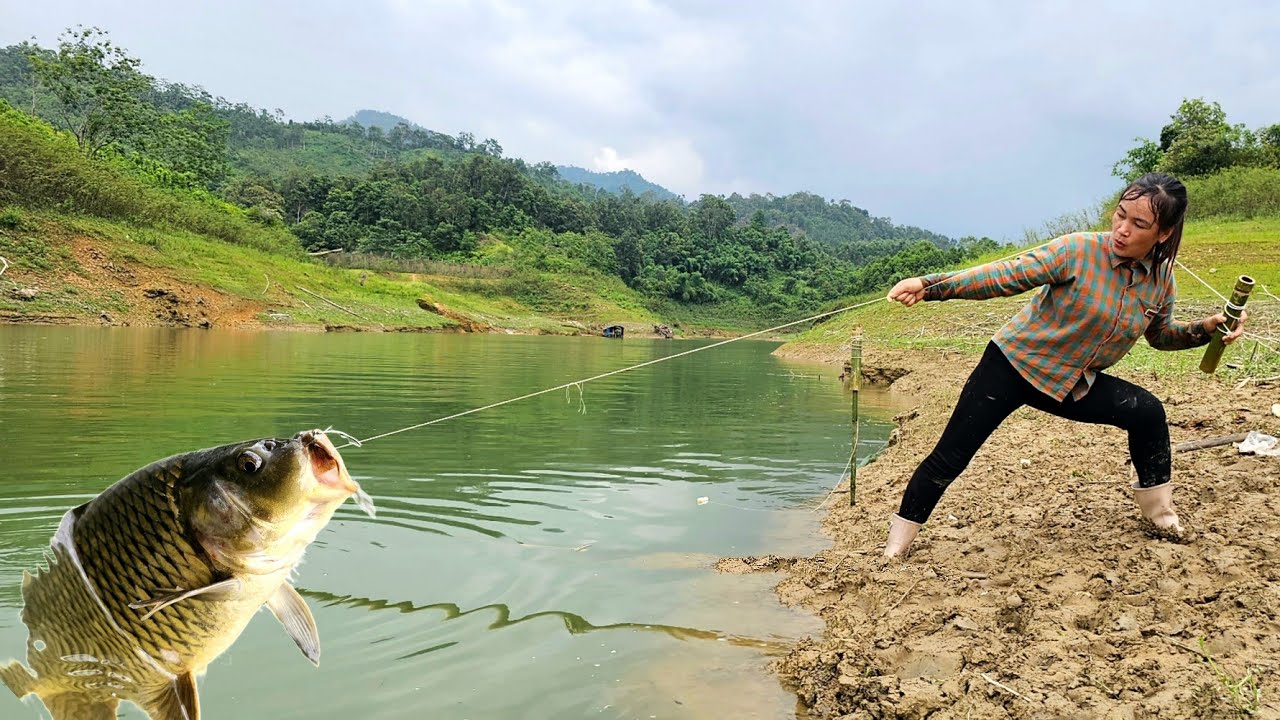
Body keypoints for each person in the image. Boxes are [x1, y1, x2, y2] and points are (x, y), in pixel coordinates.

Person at [882, 172, 1247, 558]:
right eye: (1120, 215)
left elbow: (1160, 337)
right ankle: (896, 548)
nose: (1122, 230)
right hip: (1010, 367)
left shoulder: (1161, 282)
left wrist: (1204, 329)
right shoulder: (1077, 250)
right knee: (950, 456)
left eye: (1139, 224)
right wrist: (930, 286)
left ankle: (1161, 515)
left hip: (1071, 383)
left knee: (1148, 413)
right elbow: (1004, 275)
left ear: (1163, 233)